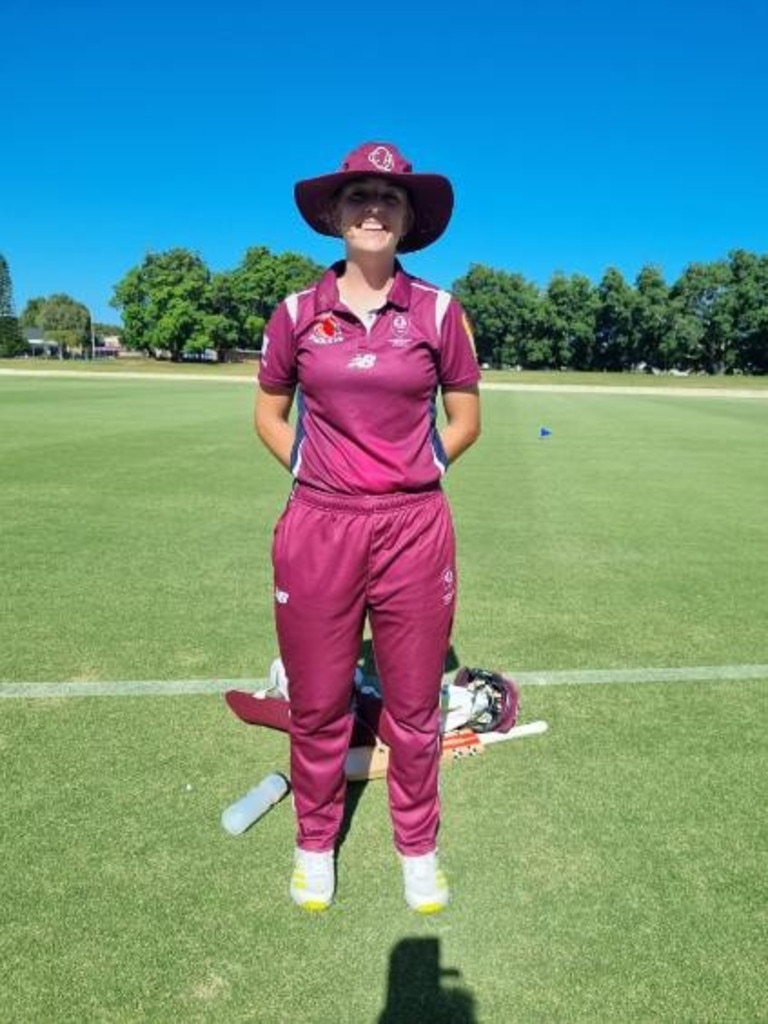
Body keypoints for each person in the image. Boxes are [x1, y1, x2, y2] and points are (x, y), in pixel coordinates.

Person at [255, 141, 481, 913]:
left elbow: (466, 418)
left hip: (414, 527)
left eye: (390, 199)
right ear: (334, 215)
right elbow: (268, 411)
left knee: (414, 711)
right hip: (318, 524)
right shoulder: (294, 313)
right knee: (318, 704)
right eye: (359, 198)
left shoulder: (441, 312)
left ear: (410, 220)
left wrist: (415, 473)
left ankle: (418, 847)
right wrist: (313, 473)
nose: (374, 210)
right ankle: (315, 842)